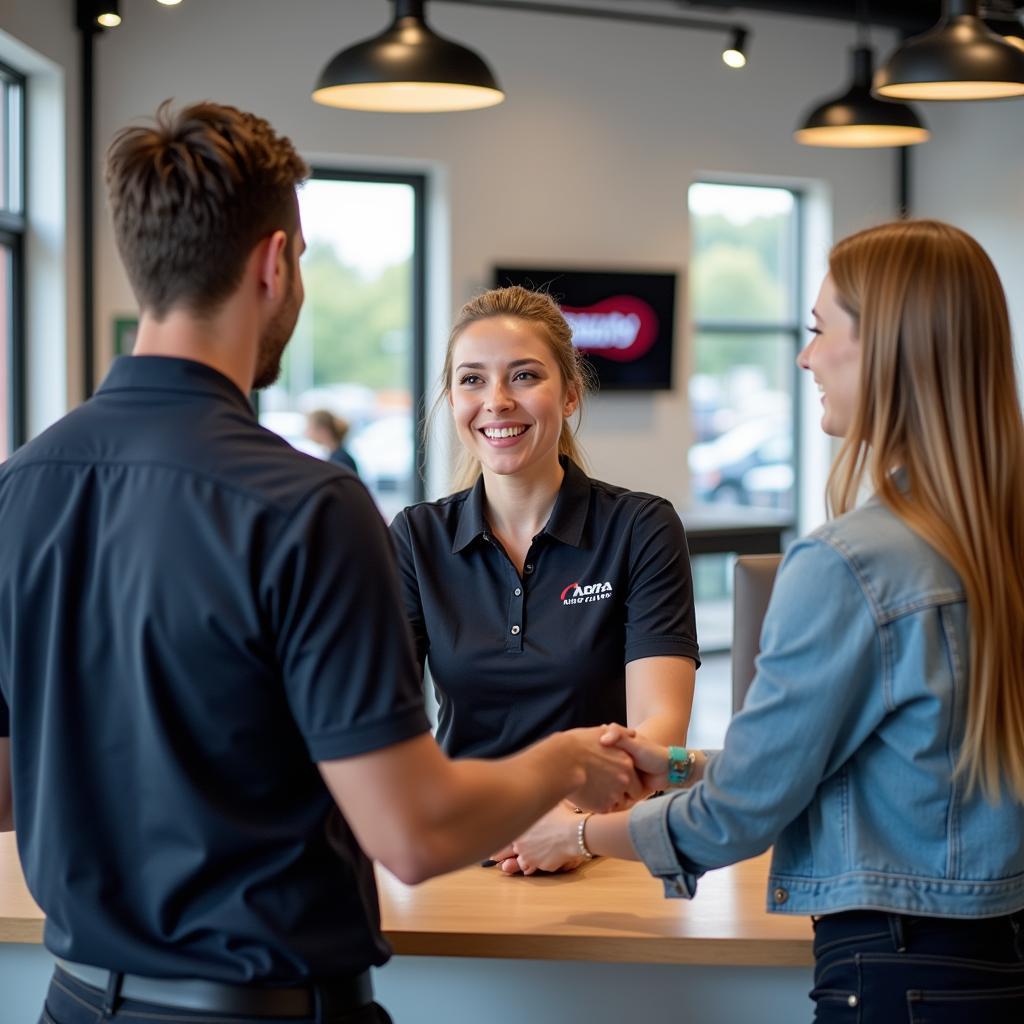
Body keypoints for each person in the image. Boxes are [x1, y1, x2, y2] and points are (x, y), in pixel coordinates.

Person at [0, 102, 642, 1024]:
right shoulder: (306, 507)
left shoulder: (20, 487)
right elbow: (412, 834)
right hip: (259, 1006)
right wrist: (562, 765)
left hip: (73, 1001)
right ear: (274, 263)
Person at [511, 220, 1024, 1020]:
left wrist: (573, 837)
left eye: (820, 331)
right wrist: (677, 767)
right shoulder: (995, 540)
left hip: (899, 969)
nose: (804, 357)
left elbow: (740, 818)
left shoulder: (853, 562)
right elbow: (899, 769)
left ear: (886, 349)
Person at [389, 286, 700, 873]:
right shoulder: (416, 538)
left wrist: (570, 827)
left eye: (524, 376)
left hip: (600, 840)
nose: (497, 401)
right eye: (472, 380)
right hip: (462, 846)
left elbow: (658, 725)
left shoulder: (640, 527)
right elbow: (385, 721)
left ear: (571, 393)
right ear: (452, 400)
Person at [306, 408, 359, 475]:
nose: (306, 432)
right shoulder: (336, 455)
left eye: (310, 428)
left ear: (323, 430)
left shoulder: (339, 459)